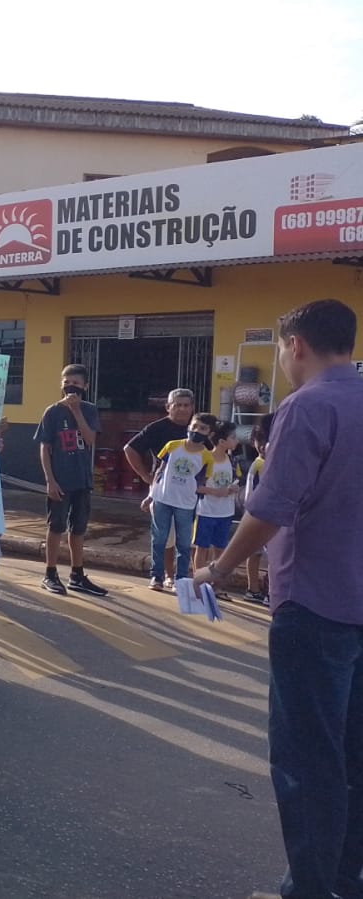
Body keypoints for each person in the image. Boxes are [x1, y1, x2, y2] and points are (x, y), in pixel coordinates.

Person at [192, 299, 363, 899]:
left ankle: (312, 889)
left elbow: (270, 510)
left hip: (314, 608)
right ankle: (346, 877)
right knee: (352, 756)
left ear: (295, 346)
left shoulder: (308, 406)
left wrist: (219, 568)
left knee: (307, 760)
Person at [34, 364, 107, 597]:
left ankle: (77, 574)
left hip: (82, 479)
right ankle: (50, 573)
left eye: (76, 383)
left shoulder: (89, 410)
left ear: (85, 386)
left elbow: (89, 439)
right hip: (60, 479)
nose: (70, 387)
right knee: (56, 526)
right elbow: (45, 448)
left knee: (79, 528)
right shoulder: (52, 412)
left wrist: (76, 412)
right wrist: (50, 481)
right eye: (66, 382)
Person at [125, 387, 194, 583]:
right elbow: (129, 449)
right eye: (177, 405)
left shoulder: (199, 429)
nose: (182, 409)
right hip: (162, 490)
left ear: (192, 408)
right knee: (165, 536)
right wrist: (146, 477)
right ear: (168, 407)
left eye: (186, 405)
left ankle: (188, 576)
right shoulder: (156, 429)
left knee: (188, 537)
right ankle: (166, 575)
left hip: (191, 492)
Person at [146, 412, 217, 592]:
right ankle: (157, 576)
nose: (196, 430)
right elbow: (159, 471)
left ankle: (181, 579)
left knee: (184, 543)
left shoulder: (207, 457)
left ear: (210, 433)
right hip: (163, 499)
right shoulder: (172, 446)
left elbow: (202, 482)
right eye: (194, 426)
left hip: (186, 504)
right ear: (188, 427)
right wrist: (151, 496)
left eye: (202, 428)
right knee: (159, 539)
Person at [190, 419, 240, 574]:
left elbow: (238, 479)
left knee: (220, 549)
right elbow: (196, 486)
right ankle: (199, 580)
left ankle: (215, 584)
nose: (236, 440)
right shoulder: (205, 459)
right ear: (222, 441)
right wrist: (217, 492)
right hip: (206, 511)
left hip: (225, 512)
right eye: (233, 437)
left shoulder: (232, 461)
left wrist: (234, 488)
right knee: (202, 548)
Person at [240, 424, 270, 605]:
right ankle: (262, 591)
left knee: (257, 554)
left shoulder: (261, 463)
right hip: (260, 515)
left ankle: (255, 589)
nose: (265, 445)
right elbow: (251, 493)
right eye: (261, 441)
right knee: (264, 555)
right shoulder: (261, 464)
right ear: (253, 443)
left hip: (257, 513)